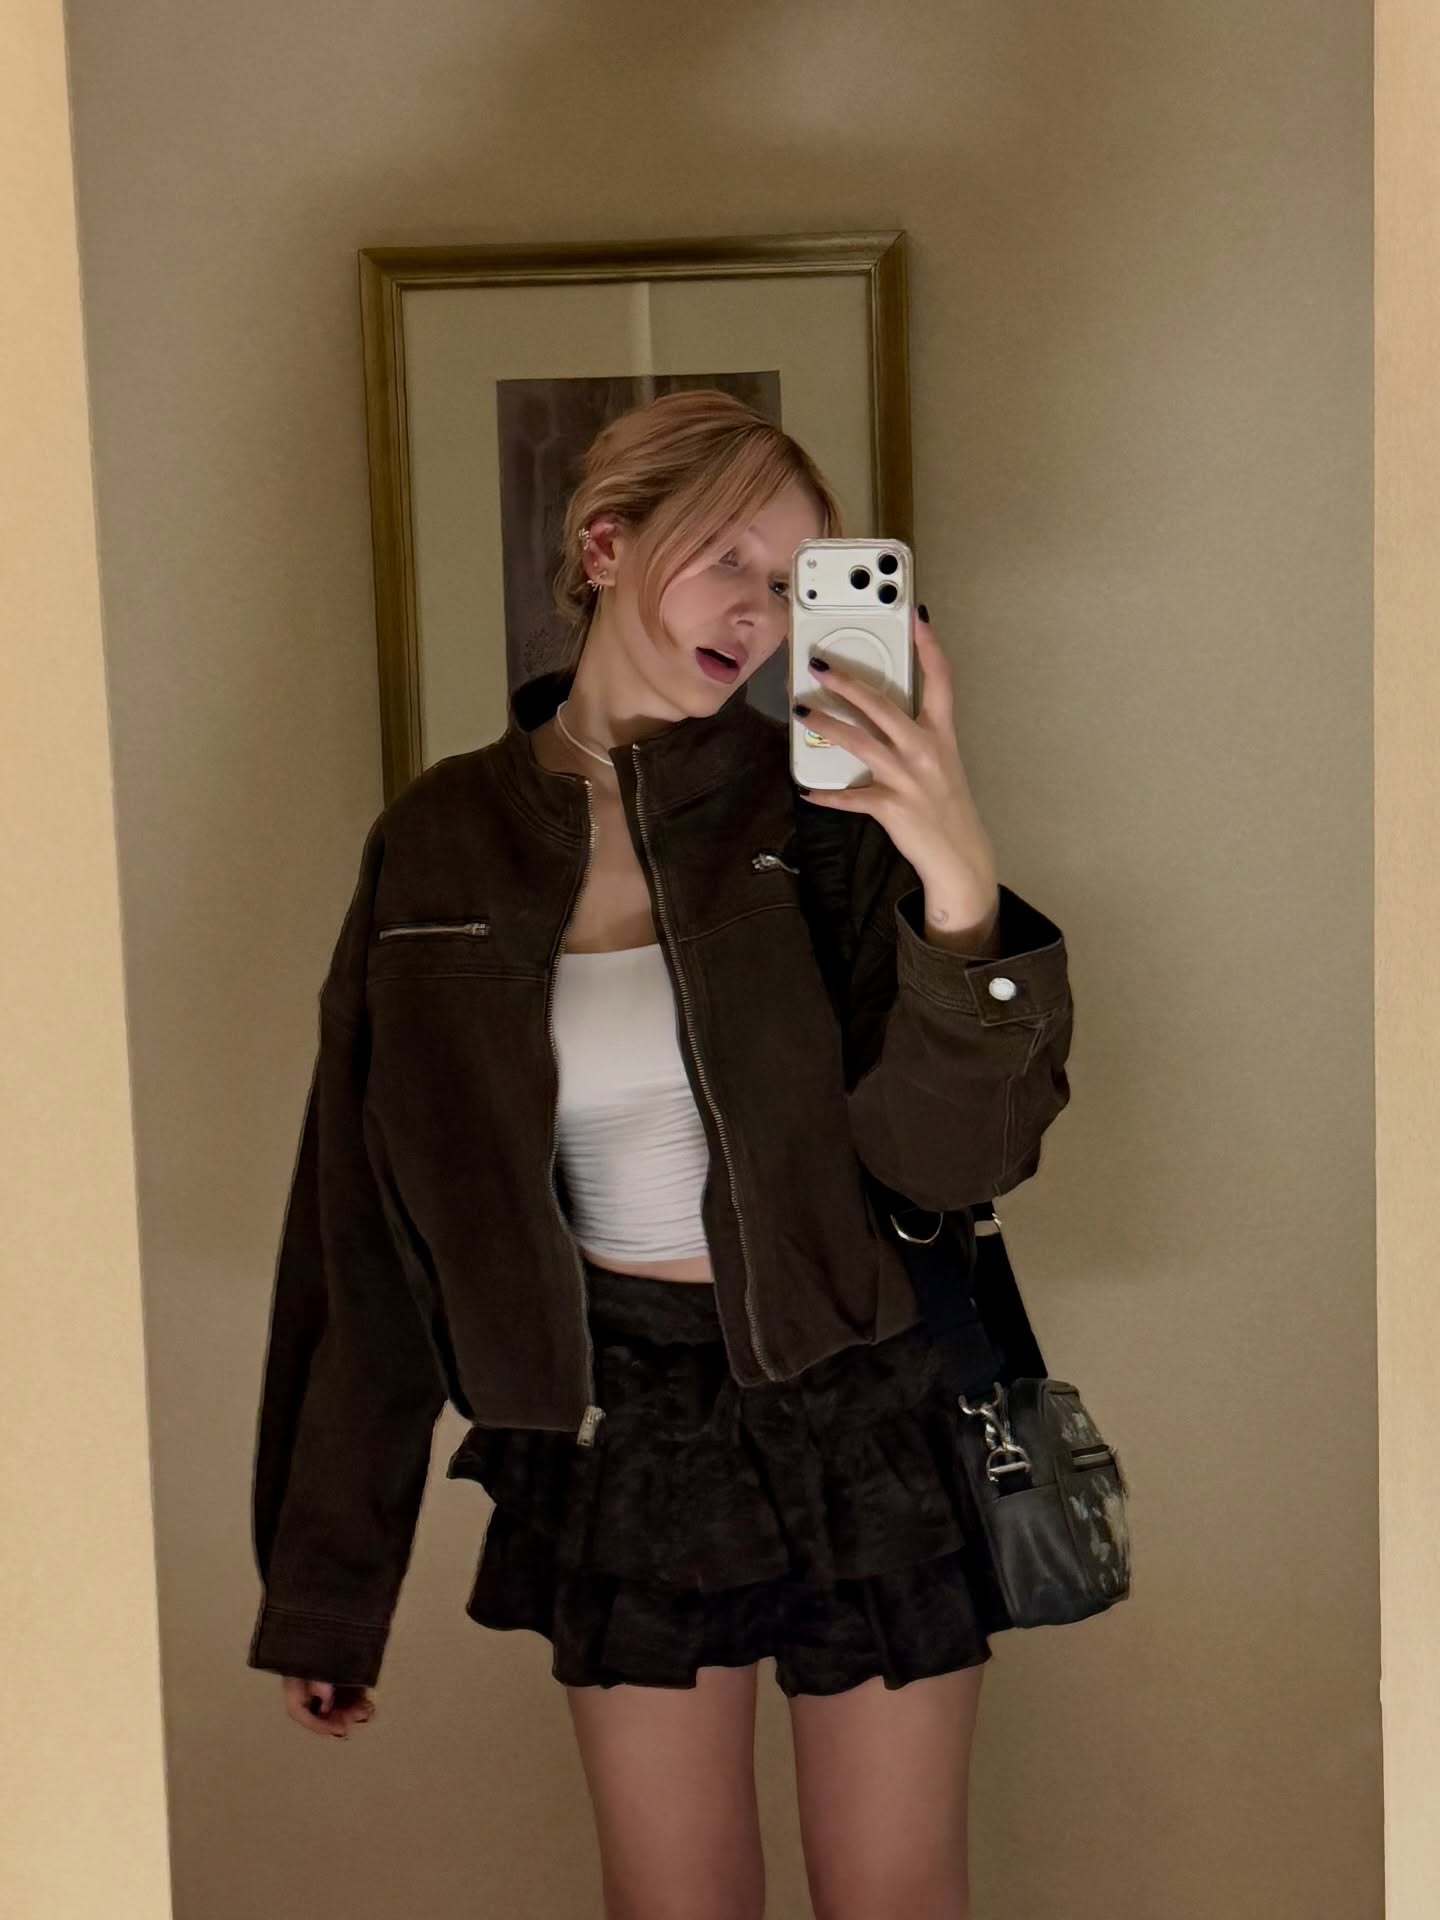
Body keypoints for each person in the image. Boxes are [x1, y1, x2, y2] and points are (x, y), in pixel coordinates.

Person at [247, 388, 1074, 1920]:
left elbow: (953, 1165)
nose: (759, 615)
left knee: (895, 1898)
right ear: (606, 545)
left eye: (794, 580)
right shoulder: (441, 842)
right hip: (628, 1426)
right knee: (672, 1904)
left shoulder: (822, 816)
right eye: (728, 559)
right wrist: (327, 1590)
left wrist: (959, 881)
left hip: (862, 1398)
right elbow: (364, 1225)